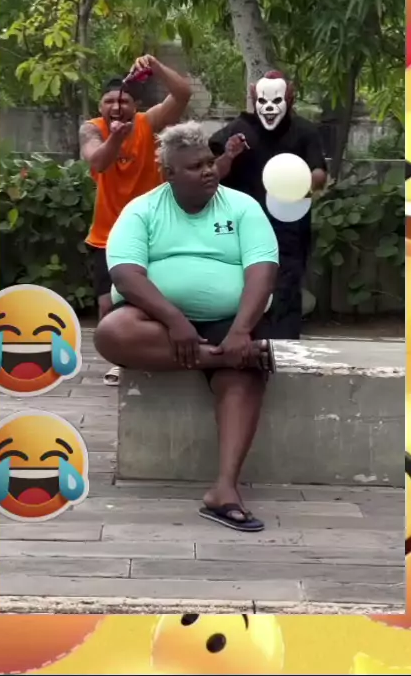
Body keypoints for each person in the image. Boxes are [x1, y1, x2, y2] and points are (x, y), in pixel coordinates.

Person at [94, 121, 279, 532]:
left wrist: (241, 331)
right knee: (111, 332)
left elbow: (263, 271)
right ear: (169, 173)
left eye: (209, 162)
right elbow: (125, 274)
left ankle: (224, 490)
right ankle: (223, 358)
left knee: (243, 379)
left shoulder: (243, 207)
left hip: (231, 322)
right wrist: (175, 319)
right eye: (195, 166)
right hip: (158, 323)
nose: (209, 170)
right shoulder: (142, 210)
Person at [80, 54, 192, 385]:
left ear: (136, 105)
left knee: (152, 298)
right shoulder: (92, 128)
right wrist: (116, 136)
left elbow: (183, 94)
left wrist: (156, 66)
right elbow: (98, 161)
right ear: (101, 106)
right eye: (109, 101)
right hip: (107, 235)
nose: (116, 107)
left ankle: (152, 355)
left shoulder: (147, 122)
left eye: (124, 101)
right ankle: (118, 361)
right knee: (106, 303)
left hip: (152, 231)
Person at [209, 70, 328, 339]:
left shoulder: (304, 131)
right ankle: (238, 337)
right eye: (263, 101)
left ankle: (284, 345)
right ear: (254, 99)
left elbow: (319, 173)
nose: (270, 108)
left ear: (290, 98)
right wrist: (229, 155)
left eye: (277, 100)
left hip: (288, 225)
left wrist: (303, 182)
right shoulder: (237, 130)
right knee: (241, 282)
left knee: (285, 285)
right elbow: (212, 172)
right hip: (240, 225)